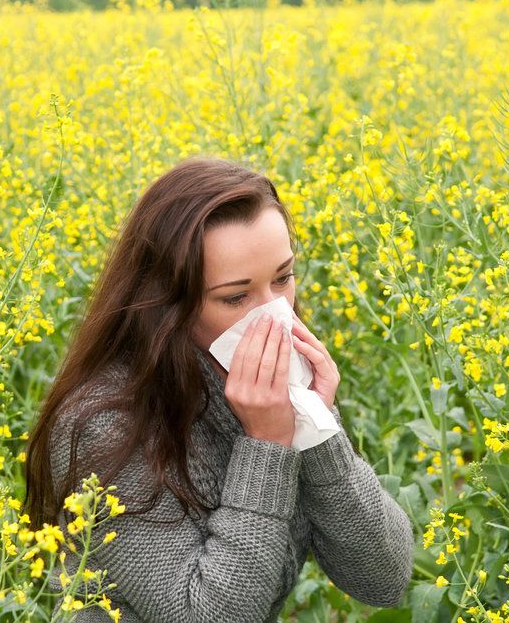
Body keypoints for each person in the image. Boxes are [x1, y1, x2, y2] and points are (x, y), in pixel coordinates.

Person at [23, 156, 415, 623]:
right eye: (235, 297)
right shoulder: (105, 423)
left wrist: (317, 428)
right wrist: (268, 444)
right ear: (170, 304)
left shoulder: (272, 389)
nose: (274, 314)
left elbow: (384, 578)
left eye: (283, 278)